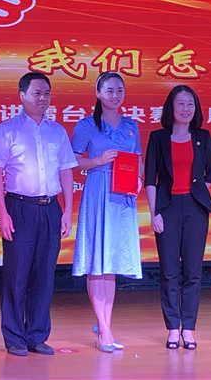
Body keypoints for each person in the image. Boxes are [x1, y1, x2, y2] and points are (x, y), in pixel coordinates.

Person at [0, 72, 78, 357]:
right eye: (37, 93)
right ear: (22, 95)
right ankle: (14, 337)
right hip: (19, 208)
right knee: (17, 275)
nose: (43, 98)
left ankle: (37, 335)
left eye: (47, 93)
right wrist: (2, 214)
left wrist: (67, 211)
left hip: (50, 208)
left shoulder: (57, 132)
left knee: (44, 275)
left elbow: (66, 172)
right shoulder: (7, 130)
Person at [71, 71, 143, 353]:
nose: (115, 95)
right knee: (96, 262)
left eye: (119, 90)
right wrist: (98, 160)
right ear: (98, 93)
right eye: (110, 90)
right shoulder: (86, 125)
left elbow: (137, 159)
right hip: (98, 191)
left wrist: (138, 179)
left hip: (123, 195)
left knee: (110, 262)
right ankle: (104, 329)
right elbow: (73, 161)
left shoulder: (131, 125)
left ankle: (106, 325)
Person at [144, 85, 211, 351]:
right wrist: (154, 213)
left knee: (193, 272)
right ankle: (173, 327)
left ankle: (189, 328)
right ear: (171, 108)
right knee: (169, 272)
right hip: (167, 208)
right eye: (181, 104)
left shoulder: (203, 137)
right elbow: (150, 178)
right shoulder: (158, 137)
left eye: (190, 104)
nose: (186, 109)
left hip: (196, 208)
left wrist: (197, 192)